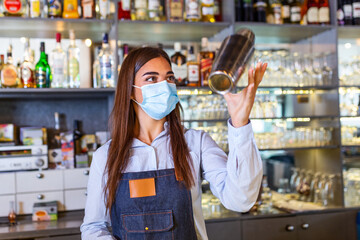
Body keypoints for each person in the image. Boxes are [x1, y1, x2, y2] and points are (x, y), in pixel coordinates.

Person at [80, 47, 267, 240]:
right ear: (130, 91)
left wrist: (240, 123)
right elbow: (94, 228)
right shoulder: (107, 156)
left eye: (169, 78)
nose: (164, 85)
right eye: (151, 79)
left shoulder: (196, 143)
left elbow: (241, 200)